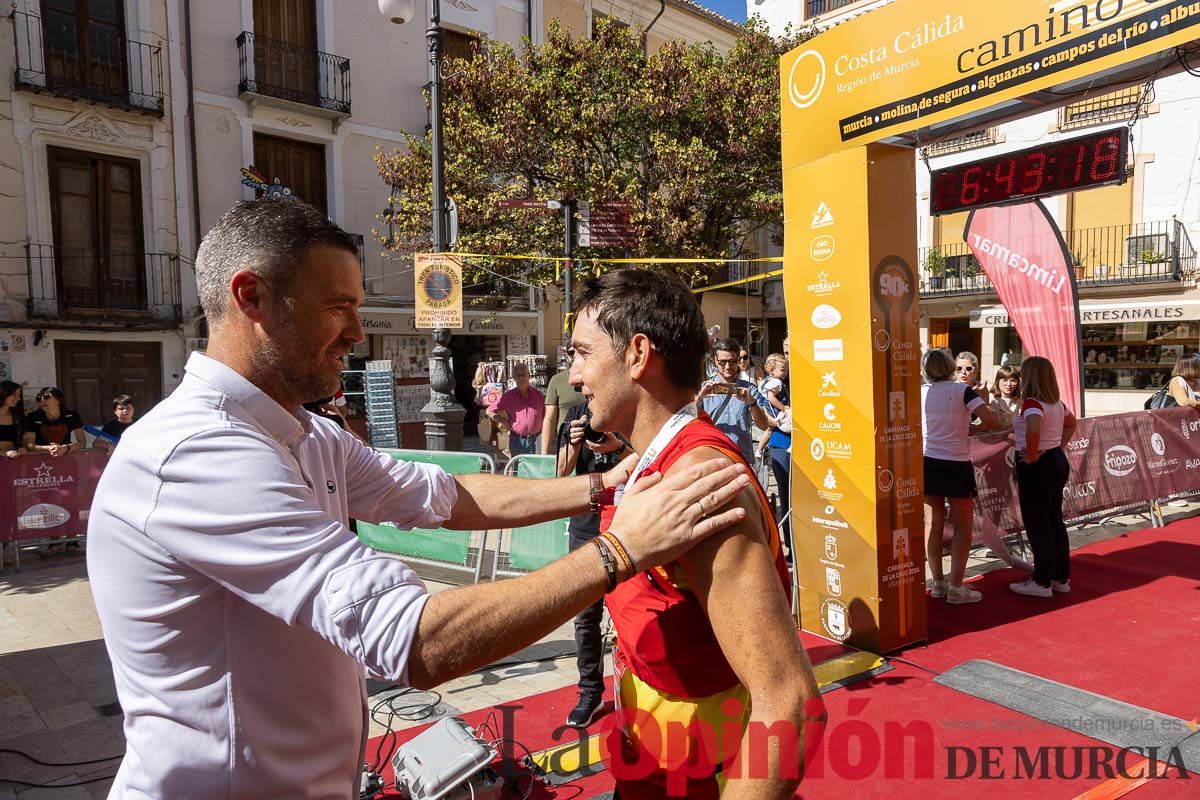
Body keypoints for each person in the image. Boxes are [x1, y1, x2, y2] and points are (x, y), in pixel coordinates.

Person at [85, 199, 750, 799]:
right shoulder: (195, 455)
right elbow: (417, 642)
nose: (356, 329)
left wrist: (604, 485)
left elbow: (450, 496)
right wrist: (622, 547)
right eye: (337, 306)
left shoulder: (308, 435)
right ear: (252, 297)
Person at [572, 269, 824, 799]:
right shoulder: (650, 457)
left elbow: (791, 705)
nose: (574, 376)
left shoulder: (698, 477)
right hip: (649, 754)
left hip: (699, 774)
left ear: (638, 354)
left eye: (582, 353)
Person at [556, 404, 631, 728]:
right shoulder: (575, 415)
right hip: (586, 528)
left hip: (630, 525)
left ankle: (636, 691)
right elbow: (561, 473)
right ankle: (590, 692)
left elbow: (650, 457)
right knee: (586, 617)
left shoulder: (629, 408)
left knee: (631, 614)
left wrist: (620, 446)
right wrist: (573, 445)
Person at [922, 349, 996, 604]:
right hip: (955, 462)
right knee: (962, 525)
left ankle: (938, 584)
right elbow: (989, 420)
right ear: (950, 368)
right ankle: (956, 586)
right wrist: (969, 429)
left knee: (933, 524)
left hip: (928, 462)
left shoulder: (921, 392)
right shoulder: (963, 391)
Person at [1010, 356, 1078, 598]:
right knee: (1054, 521)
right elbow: (1072, 423)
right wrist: (1056, 445)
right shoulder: (1057, 404)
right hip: (1056, 460)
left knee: (1038, 524)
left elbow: (1033, 429)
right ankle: (1060, 577)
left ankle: (1042, 581)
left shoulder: (1032, 404)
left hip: (1038, 464)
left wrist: (1031, 455)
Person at [697, 338, 771, 464]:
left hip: (741, 458)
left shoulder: (749, 389)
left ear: (738, 361)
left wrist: (752, 403)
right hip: (712, 458)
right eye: (722, 362)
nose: (727, 366)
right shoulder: (703, 388)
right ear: (715, 360)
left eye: (732, 361)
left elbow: (763, 425)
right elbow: (686, 422)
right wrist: (699, 398)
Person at [487, 362, 545, 456]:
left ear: (529, 376)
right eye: (518, 375)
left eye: (524, 375)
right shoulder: (508, 396)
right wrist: (505, 422)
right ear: (514, 378)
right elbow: (489, 411)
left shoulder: (539, 395)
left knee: (536, 468)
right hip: (517, 440)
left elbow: (546, 417)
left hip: (536, 439)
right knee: (518, 468)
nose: (521, 378)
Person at [23, 387, 85, 457]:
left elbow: (82, 442)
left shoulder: (72, 416)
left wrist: (65, 448)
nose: (42, 400)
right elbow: (29, 445)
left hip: (66, 457)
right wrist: (50, 448)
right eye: (39, 398)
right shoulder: (33, 417)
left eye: (47, 397)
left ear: (58, 400)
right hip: (40, 460)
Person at [541, 361, 586, 455]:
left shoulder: (594, 378)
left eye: (577, 351)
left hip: (591, 440)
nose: (574, 355)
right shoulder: (557, 380)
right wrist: (544, 454)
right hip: (565, 440)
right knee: (564, 469)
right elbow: (549, 419)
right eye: (571, 352)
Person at [755, 353, 789, 460]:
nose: (786, 372)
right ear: (772, 371)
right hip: (775, 410)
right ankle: (760, 450)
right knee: (785, 424)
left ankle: (759, 450)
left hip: (768, 409)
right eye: (783, 370)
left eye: (786, 369)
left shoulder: (767, 380)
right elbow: (771, 397)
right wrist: (783, 408)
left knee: (769, 430)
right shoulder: (776, 382)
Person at [987, 364, 1021, 429]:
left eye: (1013, 381)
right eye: (1005, 380)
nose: (1009, 384)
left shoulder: (1020, 399)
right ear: (998, 381)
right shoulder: (991, 399)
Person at [0, 381, 27, 458]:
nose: (18, 398)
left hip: (13, 463)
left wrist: (22, 450)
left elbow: (24, 443)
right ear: (3, 394)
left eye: (19, 395)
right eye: (14, 394)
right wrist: (4, 453)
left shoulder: (18, 417)